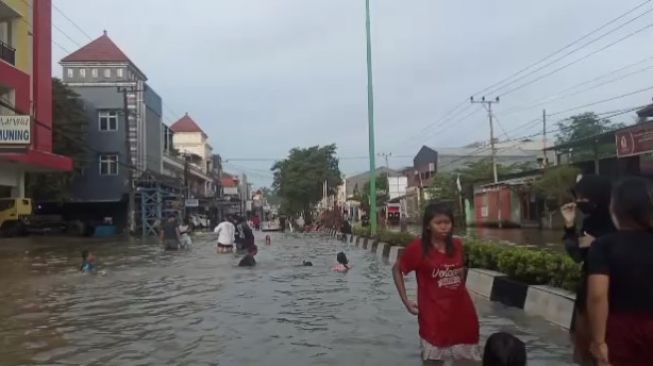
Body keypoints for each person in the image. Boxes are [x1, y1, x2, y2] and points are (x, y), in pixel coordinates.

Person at [393, 202, 480, 364]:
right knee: (433, 361)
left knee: (468, 361)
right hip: (433, 319)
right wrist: (405, 301)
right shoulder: (417, 249)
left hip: (462, 316)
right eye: (438, 223)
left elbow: (461, 273)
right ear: (428, 225)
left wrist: (464, 292)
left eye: (447, 222)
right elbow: (397, 269)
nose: (444, 227)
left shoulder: (457, 245)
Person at [587, 177, 653, 366]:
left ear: (615, 210)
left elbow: (597, 296)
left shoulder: (603, 246)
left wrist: (599, 342)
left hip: (621, 331)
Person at [560, 174, 615, 365]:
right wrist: (569, 225)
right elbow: (577, 255)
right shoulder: (589, 222)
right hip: (587, 297)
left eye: (584, 197)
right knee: (586, 352)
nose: (579, 201)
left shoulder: (620, 224)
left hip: (615, 299)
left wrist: (600, 244)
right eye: (578, 196)